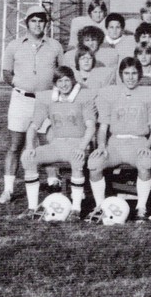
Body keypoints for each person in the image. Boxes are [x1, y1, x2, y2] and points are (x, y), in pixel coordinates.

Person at [0, 5, 65, 204]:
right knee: (15, 145)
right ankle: (8, 190)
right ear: (27, 23)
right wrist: (20, 86)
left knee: (48, 142)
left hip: (46, 100)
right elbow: (6, 73)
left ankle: (53, 182)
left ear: (46, 23)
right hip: (21, 100)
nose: (37, 24)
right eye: (33, 21)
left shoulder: (55, 45)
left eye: (41, 21)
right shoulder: (14, 45)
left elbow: (62, 73)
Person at [87, 57, 151, 222]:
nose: (130, 77)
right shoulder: (110, 94)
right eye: (126, 73)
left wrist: (148, 145)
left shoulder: (150, 94)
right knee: (94, 163)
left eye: (134, 73)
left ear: (140, 75)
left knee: (145, 162)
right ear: (120, 75)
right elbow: (103, 127)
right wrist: (101, 145)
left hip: (139, 141)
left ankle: (141, 207)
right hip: (115, 144)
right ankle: (100, 206)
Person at [19, 66, 96, 219]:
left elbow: (91, 127)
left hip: (78, 143)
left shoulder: (84, 97)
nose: (64, 84)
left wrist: (81, 147)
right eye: (60, 81)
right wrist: (29, 146)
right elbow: (33, 126)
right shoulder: (47, 99)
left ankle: (76, 209)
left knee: (76, 158)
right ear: (55, 83)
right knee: (28, 158)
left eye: (67, 80)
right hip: (57, 144)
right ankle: (32, 208)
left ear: (73, 81)